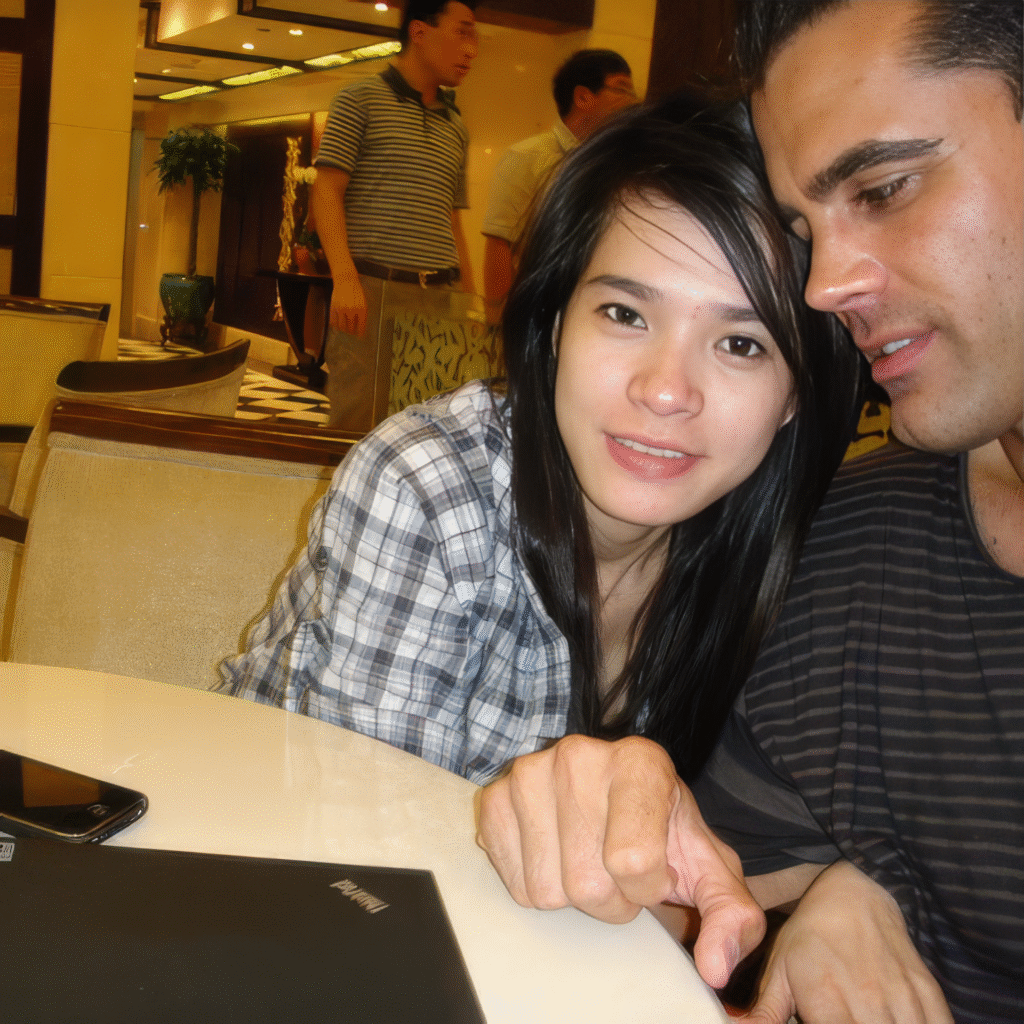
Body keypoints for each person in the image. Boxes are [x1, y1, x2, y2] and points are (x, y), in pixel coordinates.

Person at [476, 2, 1024, 1022]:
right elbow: (709, 900)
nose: (824, 289)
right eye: (806, 229)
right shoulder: (856, 544)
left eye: (884, 188)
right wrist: (621, 833)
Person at [218, 101, 861, 833]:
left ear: (795, 394)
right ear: (555, 324)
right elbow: (367, 848)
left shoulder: (799, 547)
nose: (665, 391)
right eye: (625, 314)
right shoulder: (430, 487)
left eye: (742, 344)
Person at [310, 0, 479, 431]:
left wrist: (469, 299)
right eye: (462, 32)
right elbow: (326, 191)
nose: (471, 49)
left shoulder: (456, 124)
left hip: (439, 295)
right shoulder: (359, 99)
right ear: (419, 32)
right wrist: (344, 279)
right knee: (356, 424)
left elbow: (451, 218)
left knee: (426, 429)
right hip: (372, 290)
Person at [481, 49, 637, 322]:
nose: (633, 101)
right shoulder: (527, 157)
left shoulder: (619, 167)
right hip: (535, 314)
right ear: (583, 97)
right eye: (621, 89)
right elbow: (499, 244)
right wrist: (498, 320)